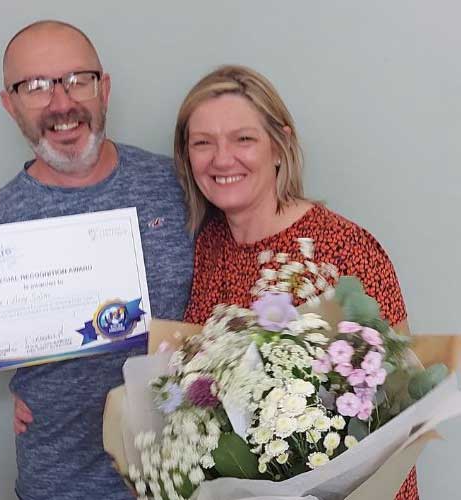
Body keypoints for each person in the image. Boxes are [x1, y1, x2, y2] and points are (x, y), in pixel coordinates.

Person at [0, 20, 194, 500]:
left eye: (77, 80)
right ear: (9, 104)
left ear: (104, 88)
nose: (61, 103)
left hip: (194, 477)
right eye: (35, 87)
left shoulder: (181, 188)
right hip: (62, 485)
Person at [173, 65, 417, 499]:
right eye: (202, 143)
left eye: (243, 138)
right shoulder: (204, 247)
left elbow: (395, 411)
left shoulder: (345, 249)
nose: (222, 158)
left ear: (280, 145)